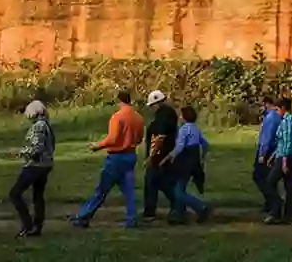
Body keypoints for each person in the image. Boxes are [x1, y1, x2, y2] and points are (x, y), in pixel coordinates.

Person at [70, 88, 145, 228]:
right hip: (130, 155)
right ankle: (132, 218)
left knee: (101, 190)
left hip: (116, 157)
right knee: (129, 191)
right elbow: (140, 139)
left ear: (119, 100)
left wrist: (97, 146)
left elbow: (112, 139)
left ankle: (83, 217)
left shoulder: (118, 117)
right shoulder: (138, 118)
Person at [10, 99, 55, 237]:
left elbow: (37, 148)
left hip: (36, 165)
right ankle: (37, 226)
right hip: (46, 164)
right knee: (38, 196)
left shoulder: (38, 126)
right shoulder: (46, 124)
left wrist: (20, 152)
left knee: (15, 194)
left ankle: (27, 224)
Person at [163, 104, 211, 224]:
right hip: (194, 162)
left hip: (185, 162)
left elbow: (179, 147)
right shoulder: (196, 128)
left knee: (178, 192)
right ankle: (179, 215)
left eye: (181, 115)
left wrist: (168, 157)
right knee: (181, 187)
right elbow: (205, 144)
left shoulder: (184, 129)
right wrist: (202, 157)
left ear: (184, 117)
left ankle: (200, 207)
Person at [141, 90, 179, 223]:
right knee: (161, 183)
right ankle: (177, 206)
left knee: (153, 182)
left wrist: (150, 157)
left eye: (152, 105)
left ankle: (150, 212)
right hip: (165, 154)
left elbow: (160, 138)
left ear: (156, 104)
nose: (151, 108)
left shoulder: (164, 116)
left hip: (159, 155)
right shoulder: (168, 114)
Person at [264, 96, 292, 225]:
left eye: (277, 110)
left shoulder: (287, 121)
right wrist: (274, 155)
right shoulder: (288, 120)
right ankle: (290, 214)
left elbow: (287, 142)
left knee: (270, 182)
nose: (275, 113)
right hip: (287, 154)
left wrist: (284, 161)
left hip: (288, 155)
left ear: (283, 109)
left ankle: (276, 210)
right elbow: (281, 142)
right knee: (289, 184)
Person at [254, 95, 281, 213]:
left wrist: (262, 154)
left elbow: (267, 137)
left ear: (266, 104)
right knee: (266, 177)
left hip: (267, 150)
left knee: (260, 177)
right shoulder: (268, 117)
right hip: (267, 149)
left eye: (261, 105)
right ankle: (270, 202)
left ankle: (274, 202)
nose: (259, 108)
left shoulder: (271, 118)